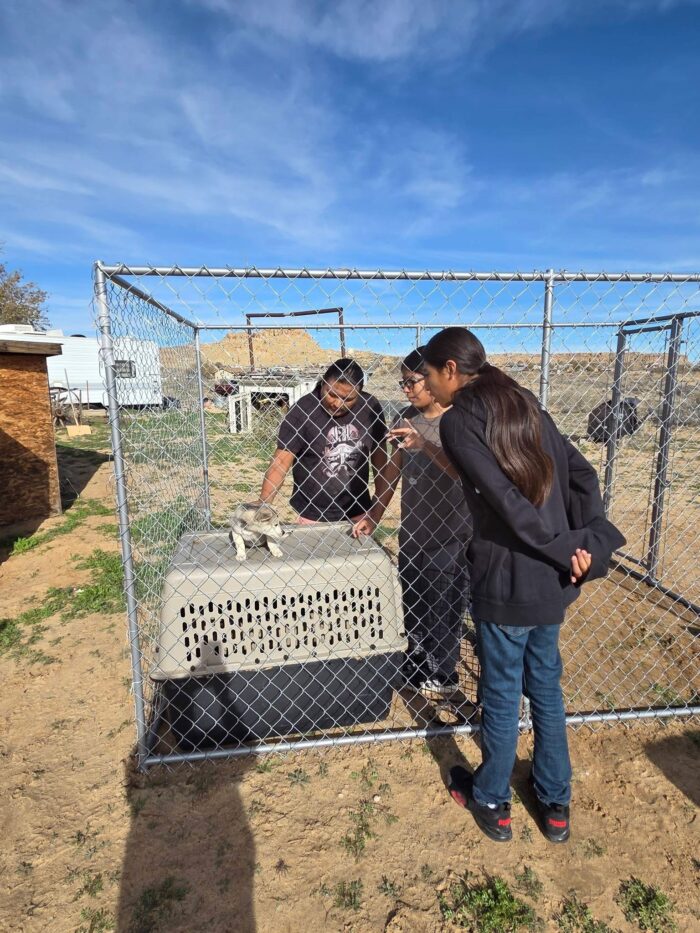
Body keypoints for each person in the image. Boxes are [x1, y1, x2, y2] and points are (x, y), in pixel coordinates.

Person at [421, 327, 625, 844]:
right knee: (546, 690)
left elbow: (509, 507)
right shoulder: (523, 400)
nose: (425, 384)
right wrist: (586, 542)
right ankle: (556, 804)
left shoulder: (459, 423)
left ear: (450, 370)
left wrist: (572, 547)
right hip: (552, 583)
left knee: (503, 690)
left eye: (427, 373)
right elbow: (582, 475)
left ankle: (492, 798)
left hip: (505, 581)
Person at [353, 347, 471, 695]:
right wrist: (374, 515)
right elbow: (391, 472)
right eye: (402, 382)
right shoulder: (404, 417)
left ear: (433, 380)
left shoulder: (457, 420)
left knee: (445, 605)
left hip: (452, 533)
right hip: (414, 531)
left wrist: (426, 445)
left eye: (412, 382)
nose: (406, 389)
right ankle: (417, 662)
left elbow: (464, 471)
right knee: (413, 601)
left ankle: (445, 673)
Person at [256, 358, 389, 526]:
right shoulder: (303, 409)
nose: (337, 403)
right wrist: (264, 502)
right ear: (323, 383)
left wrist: (378, 506)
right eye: (331, 394)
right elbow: (281, 461)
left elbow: (380, 459)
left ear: (360, 393)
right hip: (313, 513)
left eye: (348, 399)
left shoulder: (370, 407)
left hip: (359, 510)